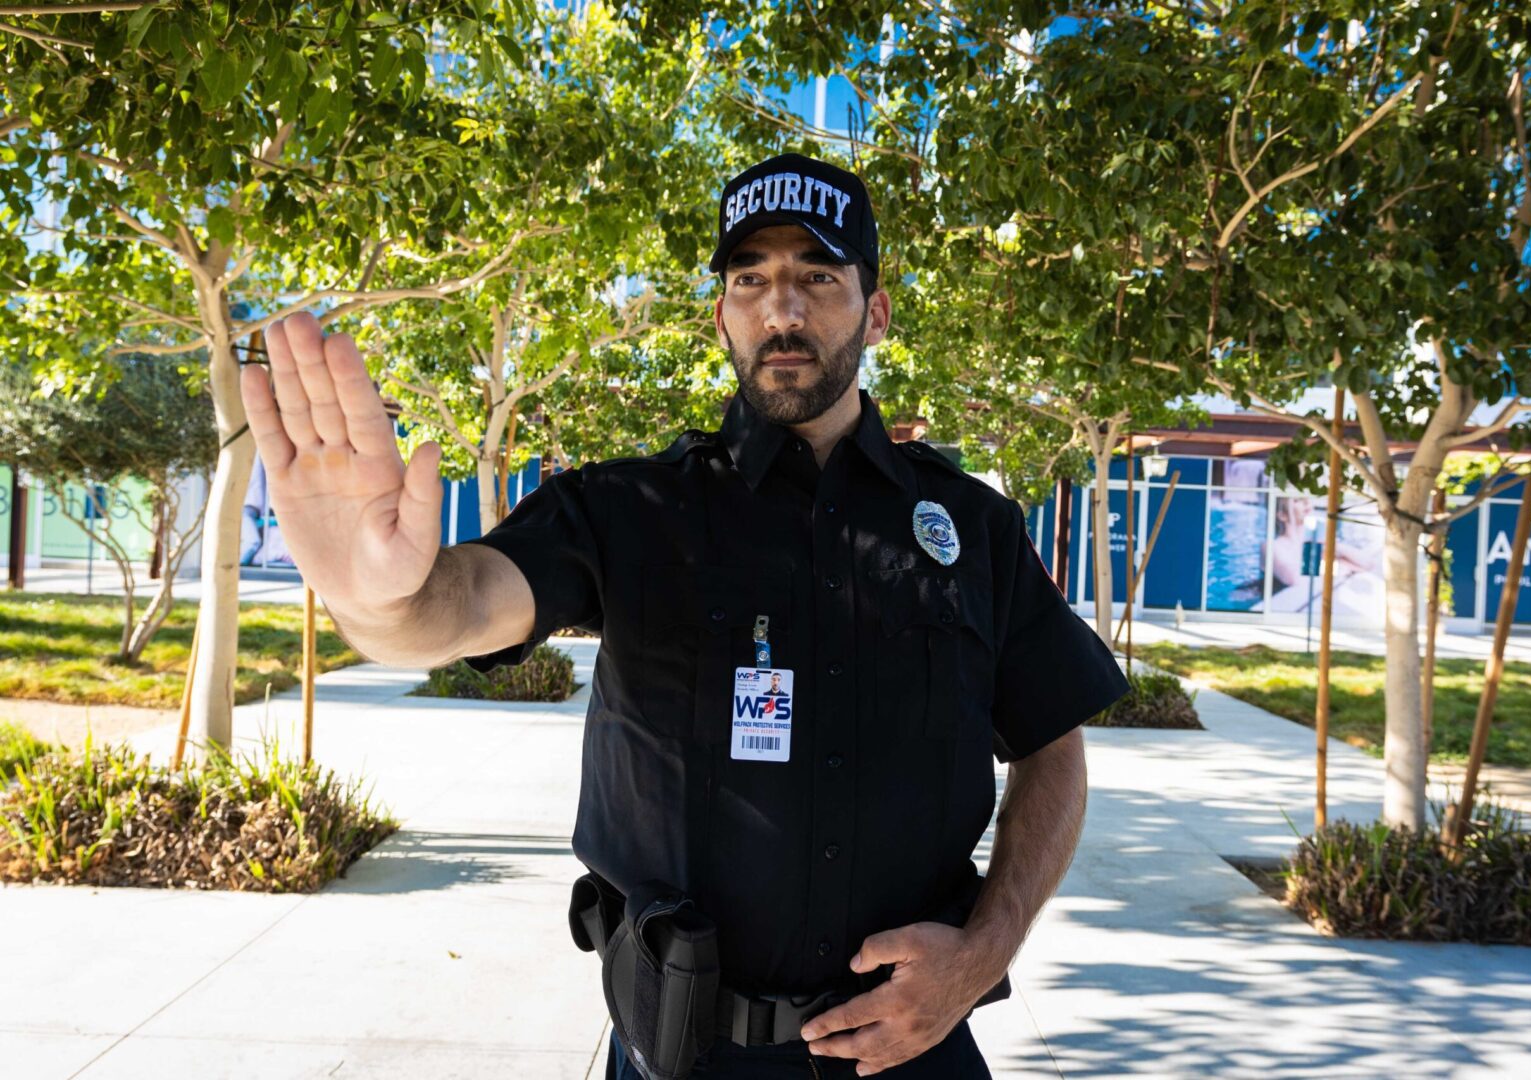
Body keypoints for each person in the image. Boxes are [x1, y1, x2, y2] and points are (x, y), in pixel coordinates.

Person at [240, 152, 1128, 1079]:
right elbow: (460, 605)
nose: (783, 311)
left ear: (876, 311)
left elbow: (1051, 746)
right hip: (685, 1055)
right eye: (752, 280)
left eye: (818, 277)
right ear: (721, 317)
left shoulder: (972, 528)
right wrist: (375, 600)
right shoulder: (630, 511)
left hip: (916, 1054)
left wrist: (987, 950)